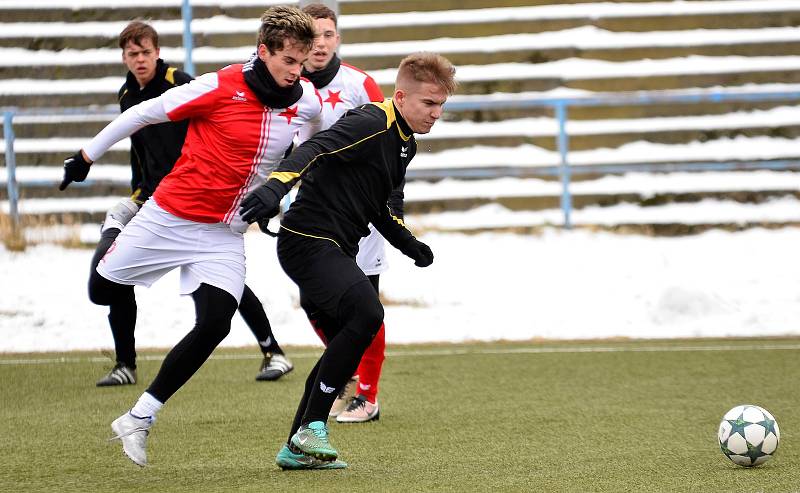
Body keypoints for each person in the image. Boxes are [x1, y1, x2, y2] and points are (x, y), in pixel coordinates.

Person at [59, 6, 320, 466]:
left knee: (216, 321)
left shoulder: (308, 100)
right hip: (170, 214)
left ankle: (139, 418)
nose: (297, 73)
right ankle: (116, 223)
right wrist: (86, 156)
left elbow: (312, 142)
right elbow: (142, 113)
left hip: (224, 231)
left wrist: (284, 183)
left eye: (302, 63)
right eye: (288, 62)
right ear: (264, 51)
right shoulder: (219, 86)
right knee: (102, 292)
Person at [240, 52, 457, 469]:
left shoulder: (404, 142)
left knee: (343, 342)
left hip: (334, 247)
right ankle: (314, 427)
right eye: (429, 103)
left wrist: (408, 243)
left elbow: (383, 205)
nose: (436, 113)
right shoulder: (372, 121)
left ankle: (296, 447)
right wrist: (275, 188)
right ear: (401, 96)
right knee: (367, 312)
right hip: (307, 239)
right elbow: (317, 148)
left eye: (441, 105)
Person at [84, 21, 293, 387]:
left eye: (146, 52)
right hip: (158, 199)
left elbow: (216, 126)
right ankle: (125, 363)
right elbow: (140, 143)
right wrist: (139, 188)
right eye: (133, 54)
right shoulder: (126, 93)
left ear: (157, 51)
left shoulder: (181, 81)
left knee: (224, 288)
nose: (140, 59)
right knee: (116, 278)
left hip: (196, 198)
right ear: (124, 57)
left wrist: (269, 187)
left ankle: (273, 350)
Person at [299, 3, 392, 423]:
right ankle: (348, 369)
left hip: (360, 211)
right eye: (314, 36)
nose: (321, 44)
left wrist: (389, 201)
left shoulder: (359, 84)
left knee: (366, 303)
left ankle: (368, 398)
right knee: (311, 300)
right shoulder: (287, 83)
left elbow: (389, 140)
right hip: (314, 212)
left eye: (329, 34)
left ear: (338, 38)